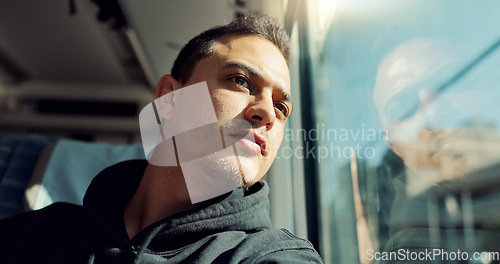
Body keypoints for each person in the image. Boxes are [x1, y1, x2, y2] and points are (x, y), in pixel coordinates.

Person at [0, 15, 323, 264]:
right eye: (240, 80)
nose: (267, 112)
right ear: (169, 99)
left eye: (281, 107)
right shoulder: (33, 233)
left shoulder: (269, 256)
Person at [373, 38, 500, 263]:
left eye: (449, 81)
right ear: (395, 146)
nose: (433, 113)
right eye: (403, 109)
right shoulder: (407, 254)